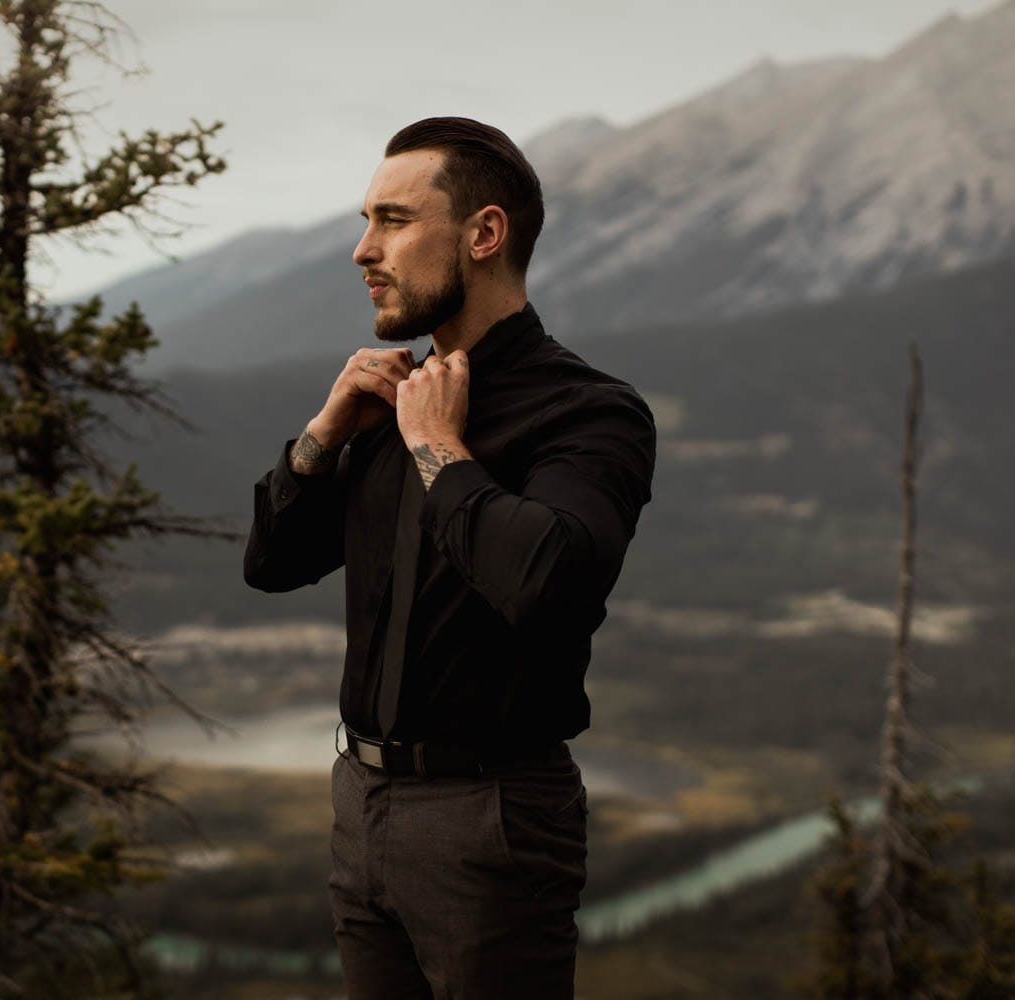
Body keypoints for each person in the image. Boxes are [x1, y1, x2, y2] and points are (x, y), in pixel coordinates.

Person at [242, 117, 657, 999]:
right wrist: (322, 435)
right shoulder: (390, 400)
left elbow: (551, 582)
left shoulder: (588, 412)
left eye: (392, 220)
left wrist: (438, 449)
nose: (363, 250)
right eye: (366, 221)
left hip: (493, 817)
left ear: (483, 234)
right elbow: (272, 564)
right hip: (360, 802)